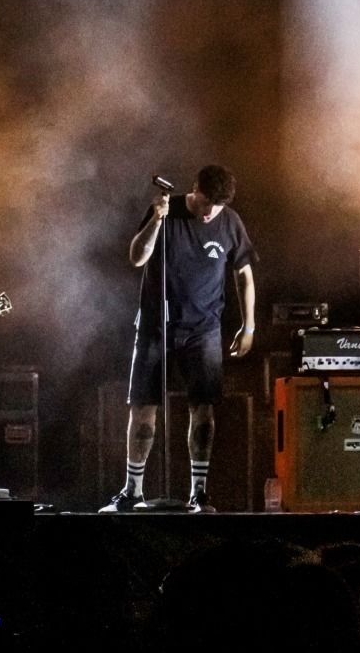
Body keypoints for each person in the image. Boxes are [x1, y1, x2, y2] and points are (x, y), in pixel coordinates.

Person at [102, 164, 256, 512]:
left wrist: (249, 326)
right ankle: (132, 491)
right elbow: (137, 257)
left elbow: (244, 275)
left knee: (203, 409)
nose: (208, 213)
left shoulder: (230, 222)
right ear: (193, 189)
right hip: (156, 325)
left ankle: (198, 493)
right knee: (142, 407)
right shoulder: (166, 212)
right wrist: (156, 220)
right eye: (204, 203)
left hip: (204, 330)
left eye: (216, 206)